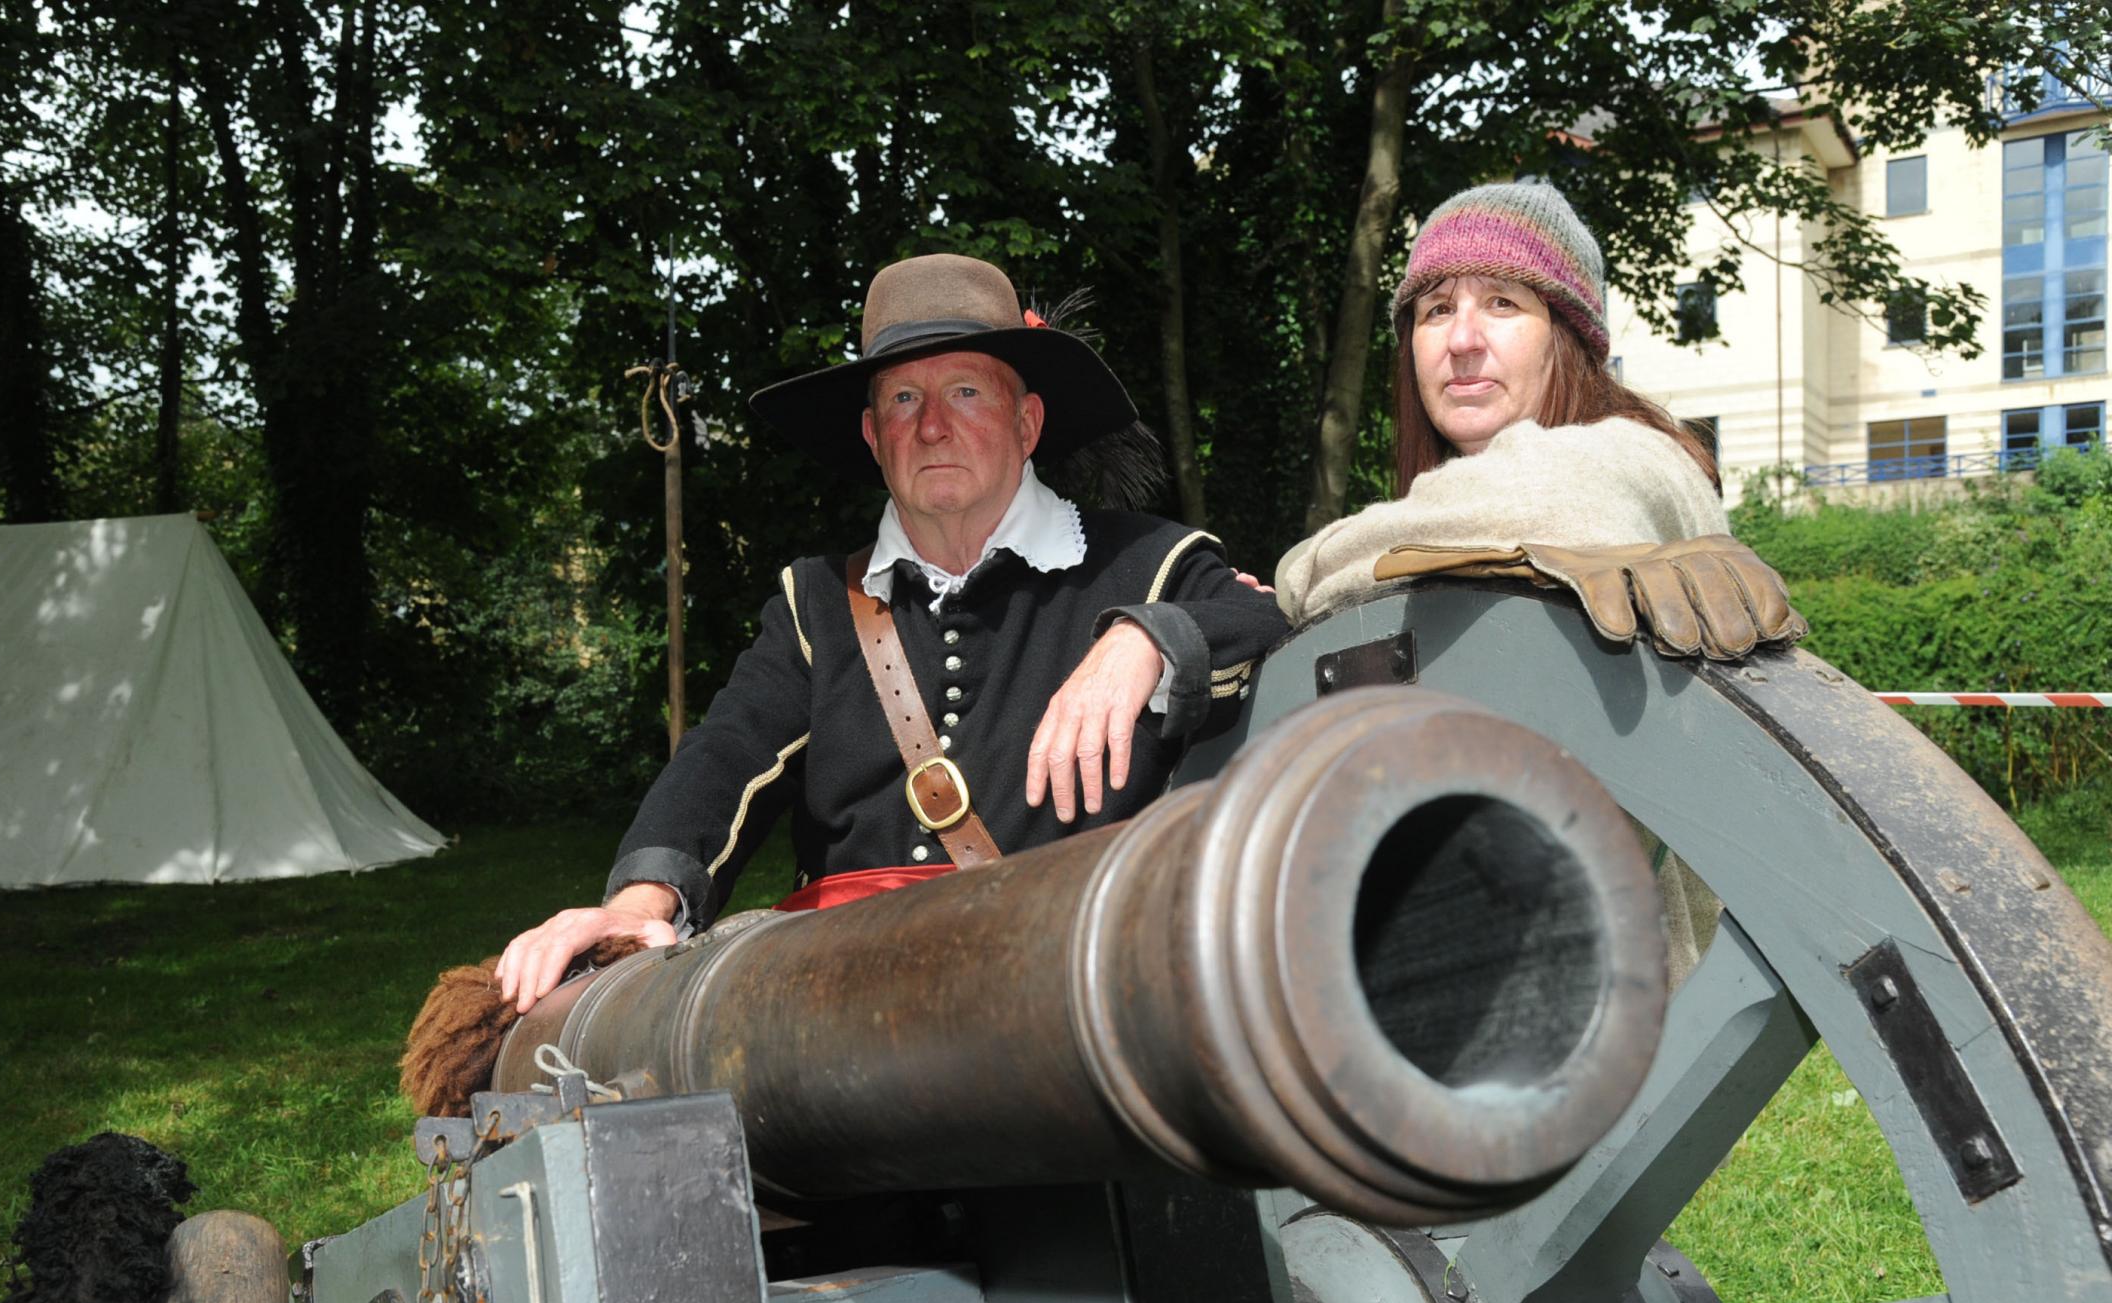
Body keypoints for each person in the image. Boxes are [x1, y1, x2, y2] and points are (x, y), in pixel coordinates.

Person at [495, 253, 1288, 1010]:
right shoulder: (815, 602)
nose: (933, 426)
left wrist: (1144, 640)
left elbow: (1270, 620)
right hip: (846, 1012)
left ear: (1029, 421)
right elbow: (726, 751)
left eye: (968, 392)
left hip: (1068, 1010)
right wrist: (640, 903)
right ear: (874, 437)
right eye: (904, 400)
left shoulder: (1148, 563)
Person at [1274, 180, 1806, 654]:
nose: (1461, 340)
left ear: (1567, 338)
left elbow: (1549, 498)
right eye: (1437, 310)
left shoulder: (1632, 456)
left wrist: (1300, 572)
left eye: (1502, 302)